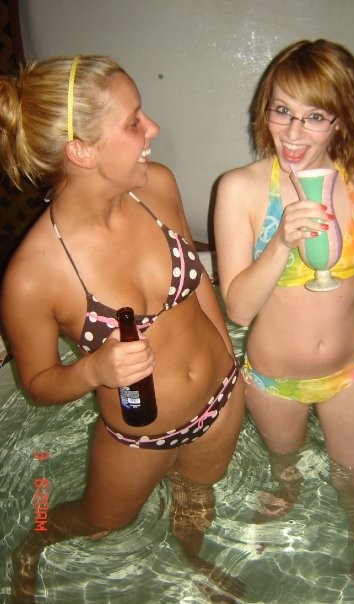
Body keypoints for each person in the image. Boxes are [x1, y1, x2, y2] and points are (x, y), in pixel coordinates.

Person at [0, 55, 244, 602]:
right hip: (141, 434)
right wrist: (93, 370)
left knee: (197, 499)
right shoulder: (33, 277)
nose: (152, 128)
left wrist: (230, 358)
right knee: (100, 522)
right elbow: (37, 384)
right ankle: (32, 545)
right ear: (82, 151)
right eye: (133, 121)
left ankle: (192, 558)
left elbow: (198, 280)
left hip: (223, 399)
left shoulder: (157, 186)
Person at [214, 39, 354, 582]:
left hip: (351, 371)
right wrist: (281, 243)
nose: (293, 132)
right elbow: (238, 309)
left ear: (343, 117)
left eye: (314, 116)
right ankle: (286, 496)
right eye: (281, 111)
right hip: (274, 379)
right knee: (285, 467)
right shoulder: (240, 190)